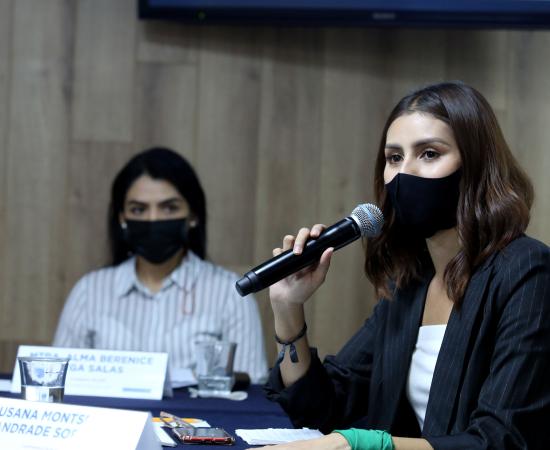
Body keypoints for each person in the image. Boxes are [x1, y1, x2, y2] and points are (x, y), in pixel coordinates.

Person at [258, 82, 550, 449]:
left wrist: (360, 445)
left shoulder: (527, 271)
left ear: (476, 165)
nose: (403, 173)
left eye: (429, 153)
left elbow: (503, 439)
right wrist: (288, 307)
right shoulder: (409, 282)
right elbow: (322, 406)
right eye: (394, 158)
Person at [53, 147, 268, 383]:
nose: (153, 219)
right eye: (138, 209)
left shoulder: (230, 293)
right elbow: (58, 380)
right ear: (122, 217)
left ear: (193, 215)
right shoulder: (89, 291)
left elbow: (253, 388)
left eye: (169, 208)